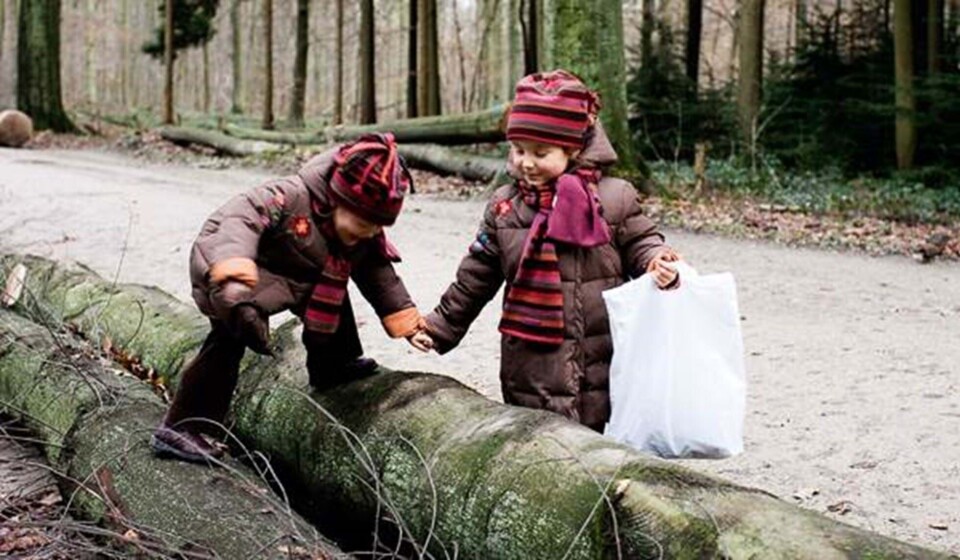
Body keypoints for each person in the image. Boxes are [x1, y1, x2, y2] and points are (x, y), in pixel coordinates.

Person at [422, 70, 683, 432]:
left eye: (540, 153)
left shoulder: (613, 197)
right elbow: (476, 275)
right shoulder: (505, 208)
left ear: (573, 148)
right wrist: (440, 326)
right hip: (531, 361)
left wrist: (657, 259)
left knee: (604, 444)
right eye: (518, 151)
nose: (526, 162)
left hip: (602, 352)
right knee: (539, 441)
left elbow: (640, 240)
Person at [152, 133, 432, 463]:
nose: (369, 233)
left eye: (377, 227)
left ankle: (332, 365)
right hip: (236, 271)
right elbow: (239, 221)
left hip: (300, 277)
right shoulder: (287, 198)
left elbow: (378, 274)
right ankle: (182, 426)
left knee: (333, 293)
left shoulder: (360, 230)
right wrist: (233, 269)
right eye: (363, 224)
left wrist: (407, 320)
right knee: (227, 342)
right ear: (338, 198)